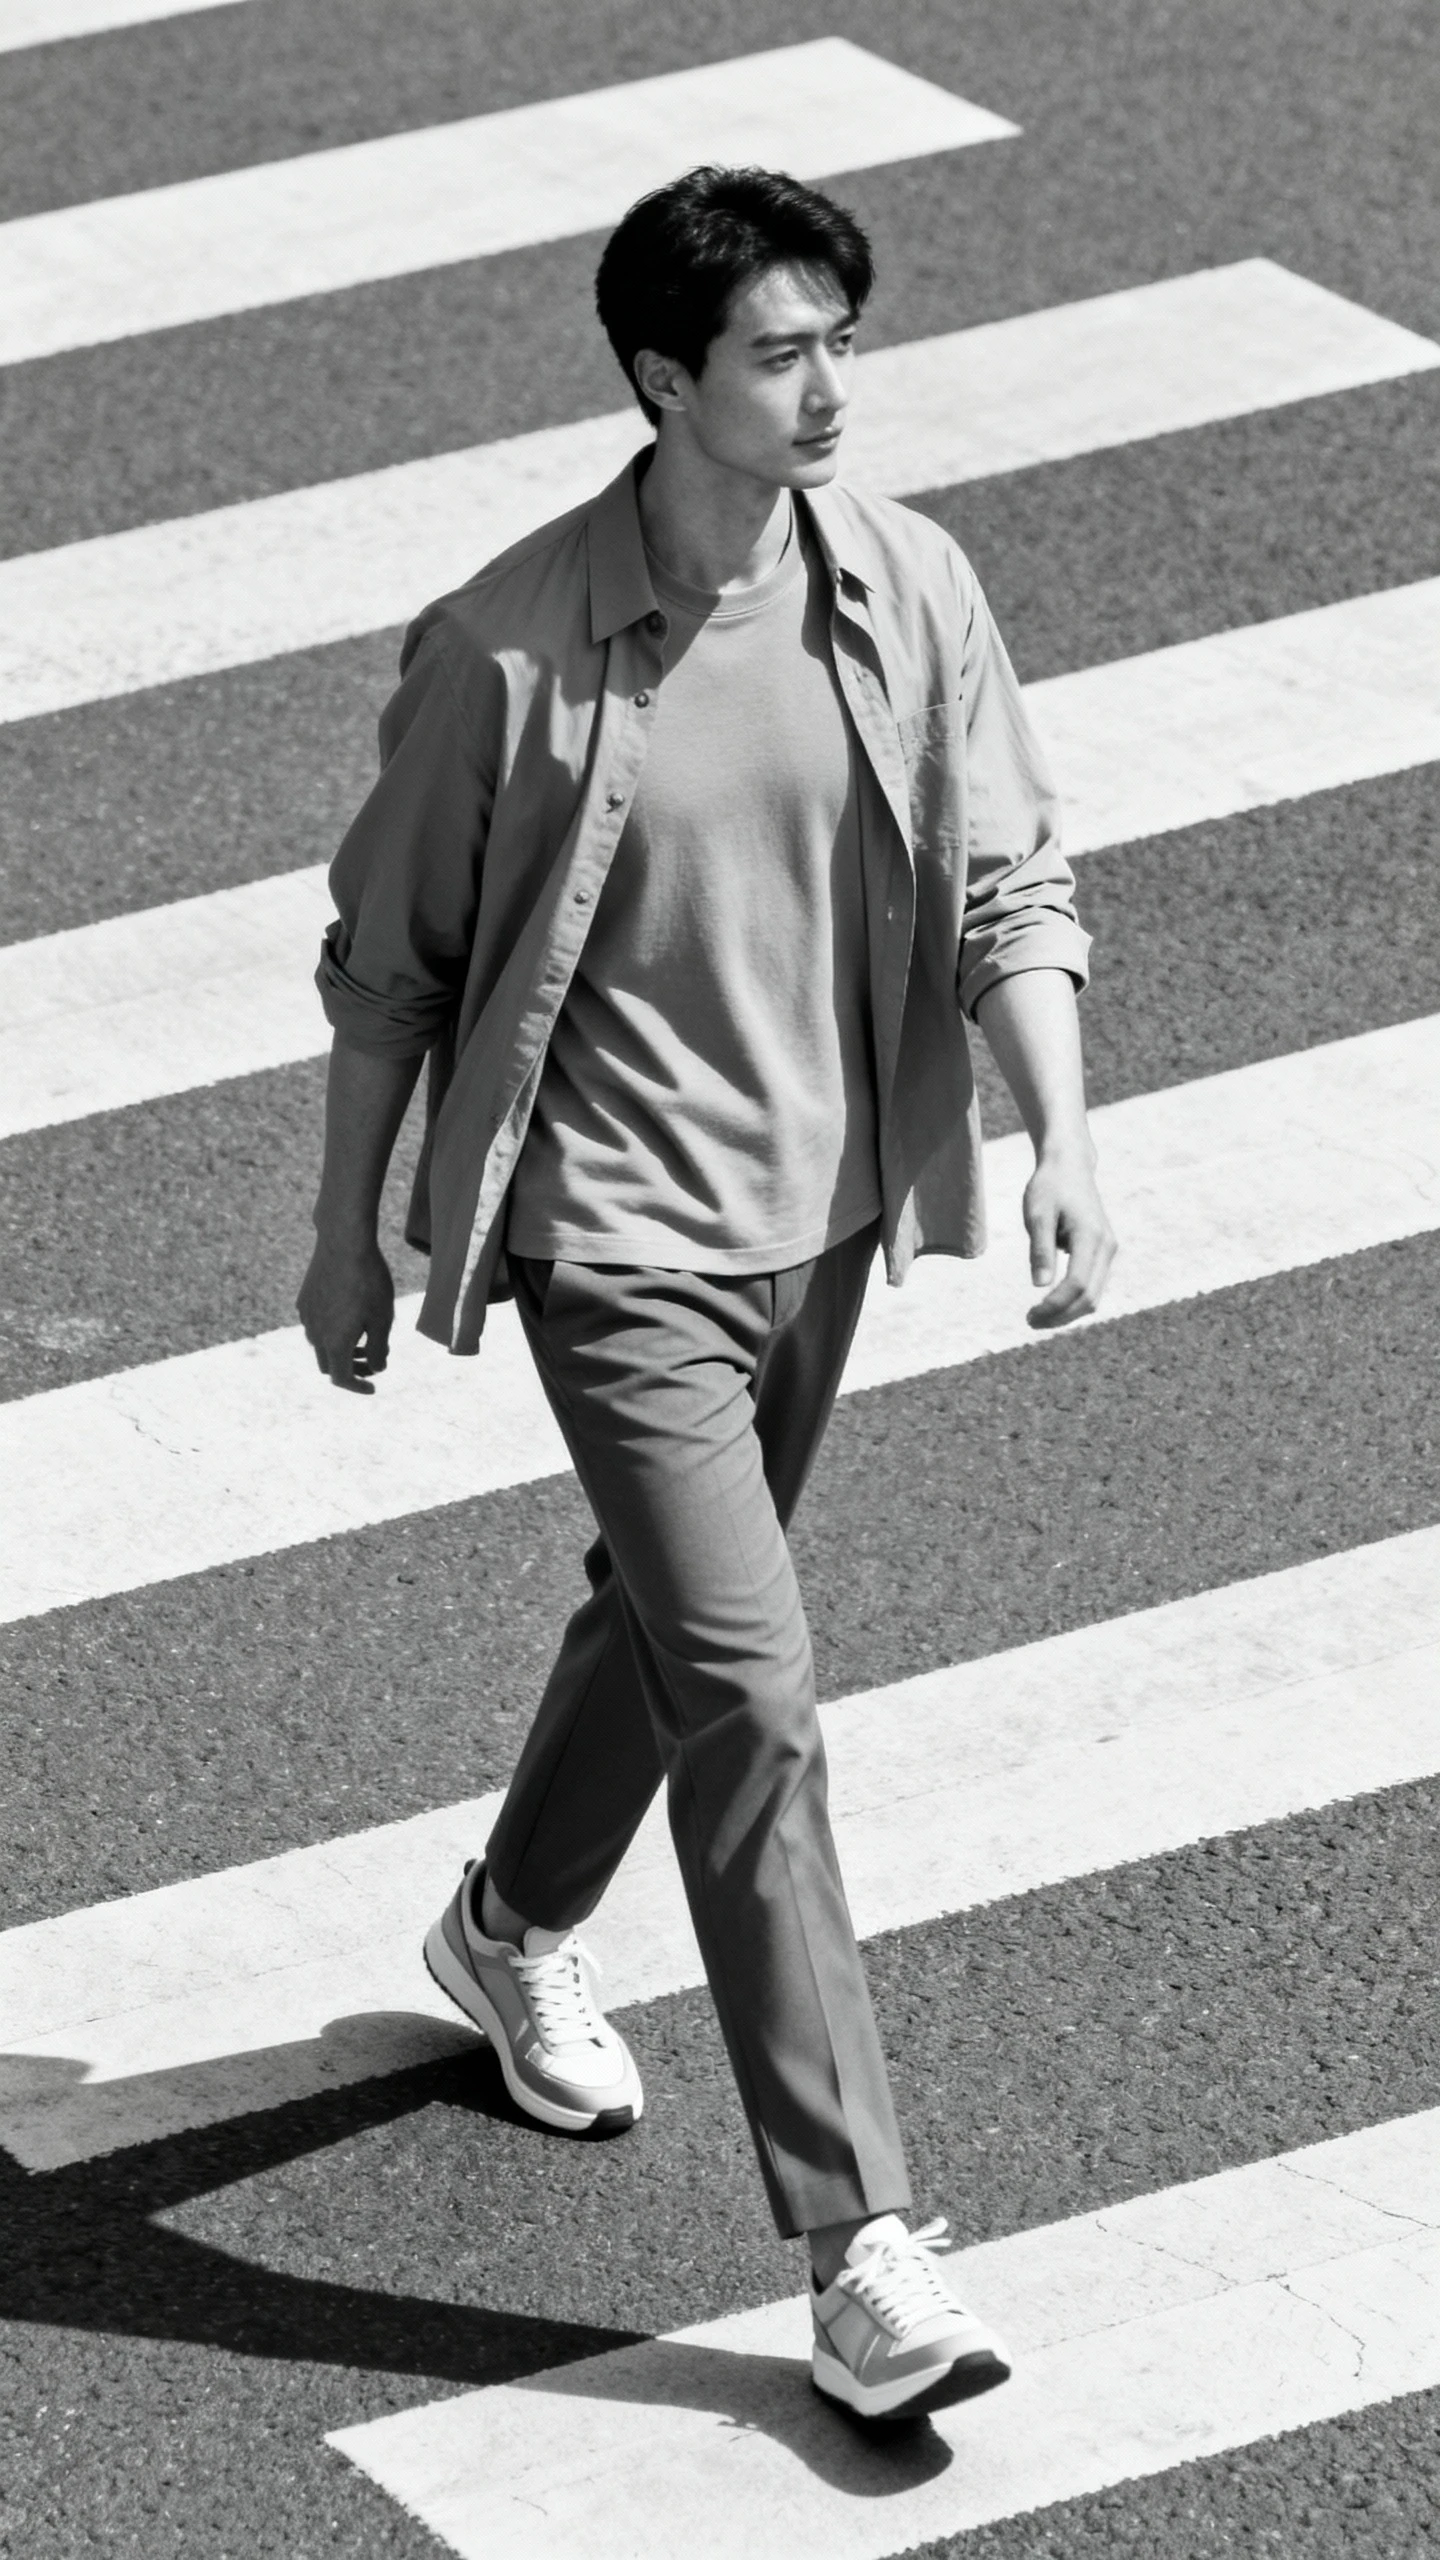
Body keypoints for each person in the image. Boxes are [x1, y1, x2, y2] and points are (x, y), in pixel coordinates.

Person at [298, 164, 1116, 2426]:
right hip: (615, 1242)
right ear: (667, 381)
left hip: (828, 1214)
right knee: (754, 1694)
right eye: (783, 350)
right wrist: (343, 1222)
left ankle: (505, 1922)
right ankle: (862, 2242)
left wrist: (1059, 1135)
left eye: (841, 334)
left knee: (670, 1621)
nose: (831, 380)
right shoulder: (507, 651)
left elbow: (1006, 869)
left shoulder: (906, 580)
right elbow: (392, 968)